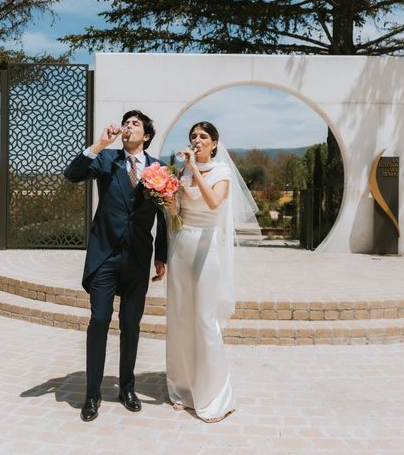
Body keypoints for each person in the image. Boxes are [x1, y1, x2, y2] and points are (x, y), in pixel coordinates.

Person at [64, 110, 168, 422]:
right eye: (126, 123)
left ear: (146, 135)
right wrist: (98, 145)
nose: (128, 127)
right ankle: (92, 394)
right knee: (99, 320)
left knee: (131, 324)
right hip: (105, 255)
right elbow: (72, 173)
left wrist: (161, 255)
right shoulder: (105, 158)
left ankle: (126, 387)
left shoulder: (158, 167)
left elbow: (163, 216)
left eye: (135, 124)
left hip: (137, 258)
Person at [165, 121, 259, 423]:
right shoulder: (181, 172)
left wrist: (193, 168)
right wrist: (166, 197)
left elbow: (213, 202)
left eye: (203, 136)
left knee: (204, 319)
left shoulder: (221, 172)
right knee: (180, 316)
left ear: (215, 143)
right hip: (181, 244)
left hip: (207, 246)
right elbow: (178, 211)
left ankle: (214, 394)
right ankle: (182, 388)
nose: (197, 140)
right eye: (193, 136)